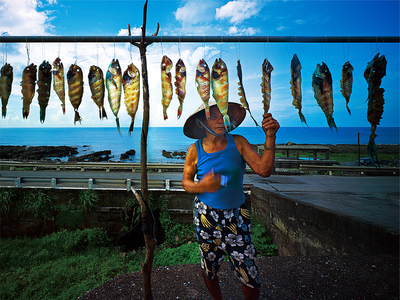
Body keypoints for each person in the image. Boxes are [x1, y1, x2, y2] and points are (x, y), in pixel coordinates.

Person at [182, 101, 280, 300]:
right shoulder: (195, 150)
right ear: (202, 122)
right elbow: (186, 182)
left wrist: (270, 137)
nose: (220, 120)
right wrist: (201, 186)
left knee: (248, 269)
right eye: (213, 116)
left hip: (237, 215)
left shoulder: (239, 142)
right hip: (205, 215)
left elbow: (264, 170)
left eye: (223, 115)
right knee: (209, 266)